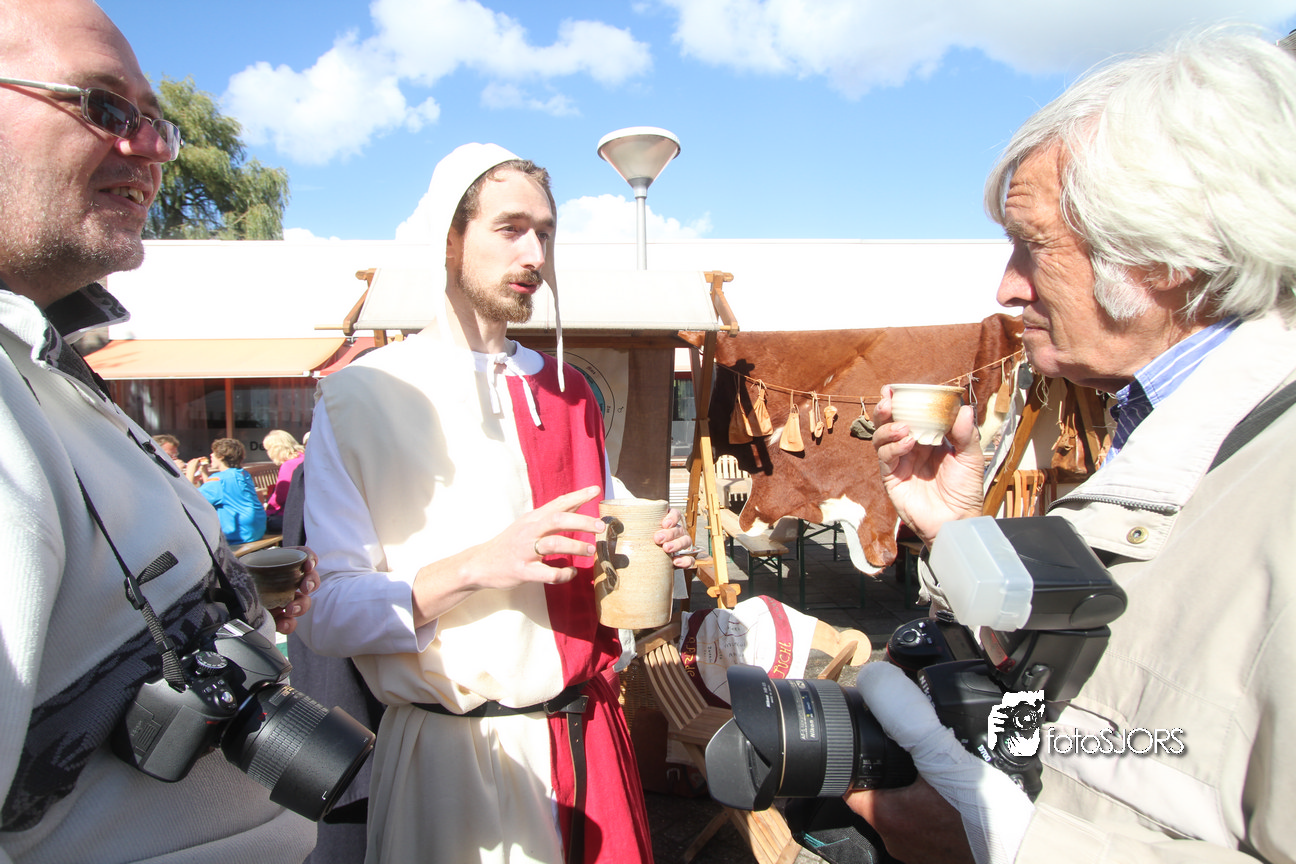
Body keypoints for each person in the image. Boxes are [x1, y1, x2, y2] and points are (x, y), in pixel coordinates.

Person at [847, 27, 1296, 864]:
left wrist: (1008, 844)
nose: (1007, 287)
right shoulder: (1171, 429)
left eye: (1035, 243)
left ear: (1166, 253)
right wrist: (959, 535)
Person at [294, 143, 696, 864]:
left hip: (588, 741)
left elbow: (604, 549)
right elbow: (324, 613)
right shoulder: (362, 395)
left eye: (545, 233)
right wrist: (479, 565)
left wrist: (656, 549)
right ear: (448, 238)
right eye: (510, 228)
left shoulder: (571, 392)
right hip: (453, 764)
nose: (535, 254)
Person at [0, 2, 318, 860]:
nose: (151, 149)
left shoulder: (47, 369)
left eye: (155, 122)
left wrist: (234, 608)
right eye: (103, 105)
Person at [192, 437, 267, 546]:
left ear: (221, 456)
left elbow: (192, 499)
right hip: (256, 529)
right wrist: (204, 472)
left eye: (214, 453)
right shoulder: (243, 474)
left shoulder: (219, 479)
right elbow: (220, 492)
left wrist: (190, 471)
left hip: (238, 533)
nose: (211, 455)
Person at [262, 428, 305, 533]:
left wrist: (268, 506)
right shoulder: (305, 458)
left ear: (275, 450)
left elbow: (281, 496)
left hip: (293, 515)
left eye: (268, 449)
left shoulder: (289, 465)